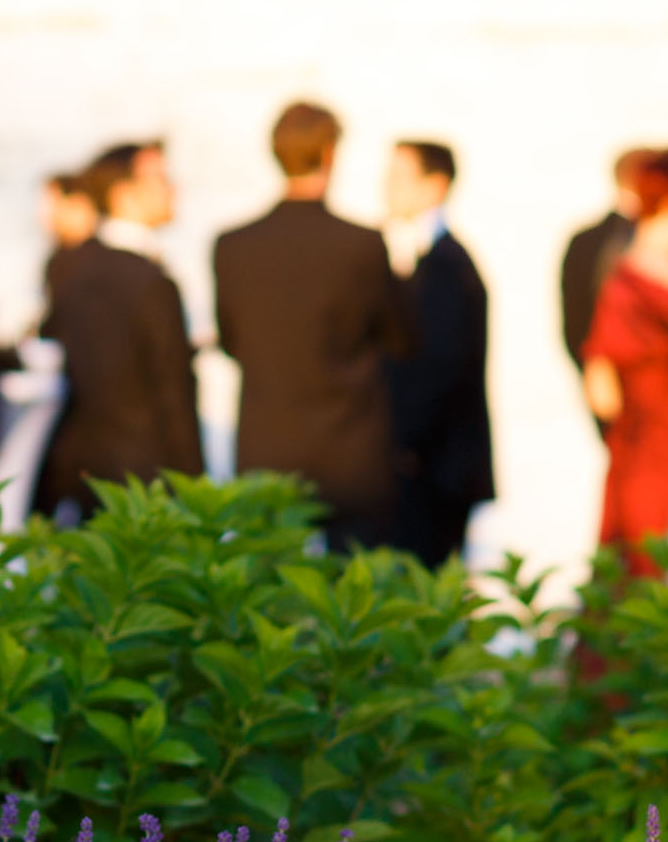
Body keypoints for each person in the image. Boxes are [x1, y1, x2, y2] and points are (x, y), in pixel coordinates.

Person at [210, 101, 414, 553]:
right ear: (330, 153)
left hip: (268, 449)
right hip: (352, 452)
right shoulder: (362, 244)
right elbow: (401, 339)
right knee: (358, 587)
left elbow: (231, 342)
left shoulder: (233, 245)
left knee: (268, 586)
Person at [35, 162, 204, 522]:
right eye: (159, 179)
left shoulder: (69, 265)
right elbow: (172, 388)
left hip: (85, 471)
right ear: (123, 194)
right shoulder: (149, 279)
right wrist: (194, 484)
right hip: (146, 476)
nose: (172, 188)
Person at [585, 152, 668, 576]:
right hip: (663, 446)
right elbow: (602, 388)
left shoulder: (623, 276)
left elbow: (602, 393)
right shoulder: (652, 284)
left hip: (642, 444)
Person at [379, 138, 493, 569]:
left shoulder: (447, 265)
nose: (386, 187)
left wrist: (400, 443)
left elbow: (440, 369)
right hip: (426, 466)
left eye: (399, 177)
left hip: (435, 471)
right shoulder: (419, 256)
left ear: (435, 185)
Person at [558, 152, 652, 388]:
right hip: (609, 378)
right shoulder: (588, 241)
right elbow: (576, 316)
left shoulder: (587, 239)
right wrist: (593, 368)